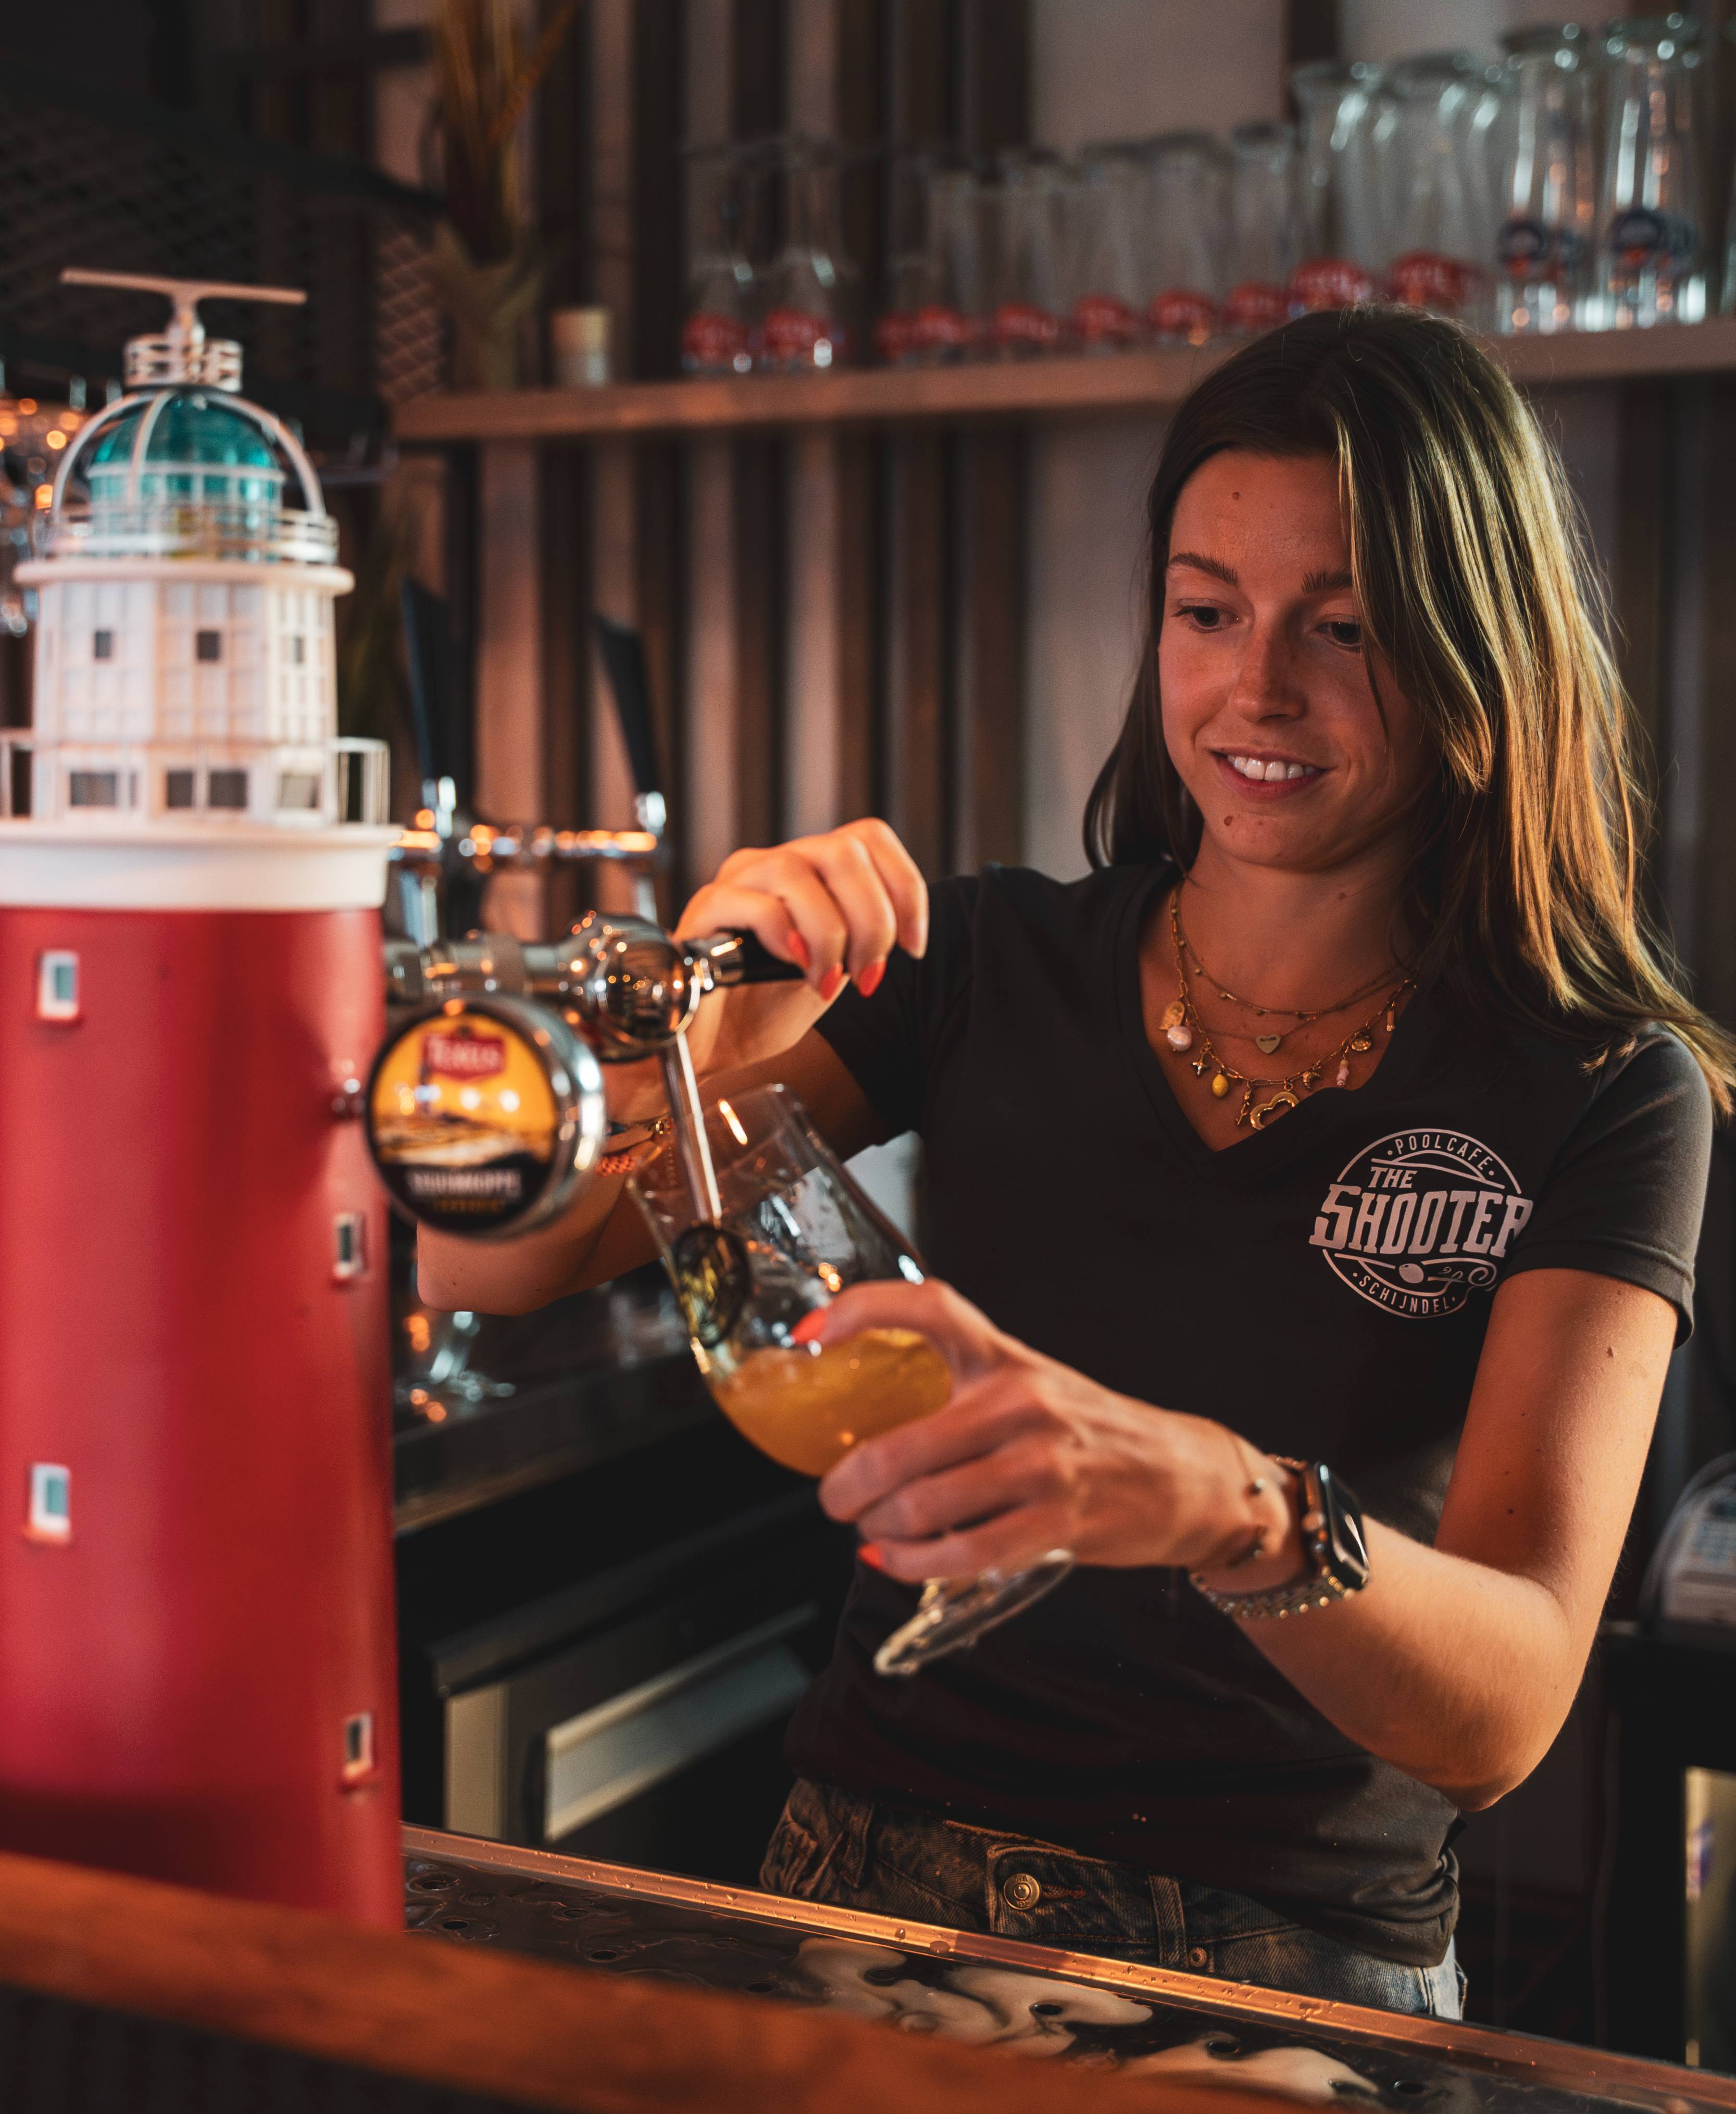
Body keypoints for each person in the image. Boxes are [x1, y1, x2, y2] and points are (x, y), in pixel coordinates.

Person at [421, 307, 1727, 2017]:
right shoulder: (981, 963)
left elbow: (1500, 1713)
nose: (1256, 689)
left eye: (1343, 629)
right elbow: (486, 1261)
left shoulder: (1601, 1085)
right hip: (866, 1886)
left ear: (1480, 654)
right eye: (1206, 612)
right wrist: (706, 1011)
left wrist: (1212, 1500)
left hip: (1289, 1968)